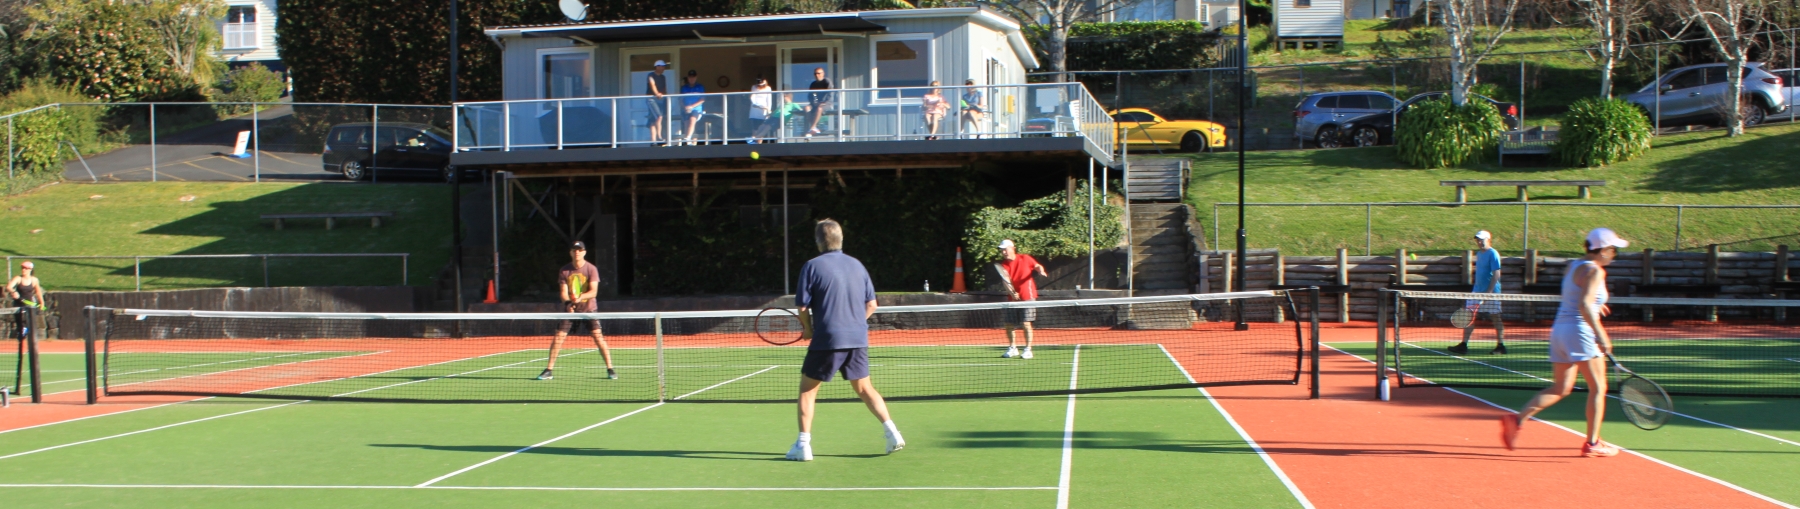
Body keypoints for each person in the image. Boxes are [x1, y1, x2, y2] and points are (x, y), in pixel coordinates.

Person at [1499, 228, 1629, 458]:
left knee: (1561, 388)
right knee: (1599, 388)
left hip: (1560, 331)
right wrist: (1602, 334)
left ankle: (1518, 419)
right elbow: (1585, 305)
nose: (1614, 254)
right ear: (1602, 250)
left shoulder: (1574, 265)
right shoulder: (1595, 271)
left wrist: (1597, 307)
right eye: (1612, 249)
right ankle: (1592, 443)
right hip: (1580, 332)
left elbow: (1577, 298)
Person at [786, 219, 904, 462]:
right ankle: (892, 432)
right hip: (857, 337)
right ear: (841, 239)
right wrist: (853, 321)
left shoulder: (811, 266)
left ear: (818, 241)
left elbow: (802, 307)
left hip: (827, 338)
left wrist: (807, 329)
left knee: (807, 391)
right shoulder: (858, 266)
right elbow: (872, 305)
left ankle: (803, 446)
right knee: (864, 388)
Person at [537, 241, 617, 381]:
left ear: (584, 252)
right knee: (558, 338)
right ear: (571, 252)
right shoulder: (564, 270)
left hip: (589, 310)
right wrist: (568, 303)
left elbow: (593, 292)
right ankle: (549, 370)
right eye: (574, 250)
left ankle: (610, 369)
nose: (577, 252)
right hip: (570, 311)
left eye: (580, 250)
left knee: (598, 338)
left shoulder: (591, 269)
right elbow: (563, 292)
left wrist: (580, 297)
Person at [1449, 230, 1507, 355]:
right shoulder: (1479, 254)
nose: (1479, 242)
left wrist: (1489, 292)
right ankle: (1464, 344)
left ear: (1488, 239)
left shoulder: (1493, 254)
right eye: (1477, 240)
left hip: (1492, 292)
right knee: (1469, 316)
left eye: (1481, 239)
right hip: (1477, 291)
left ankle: (1501, 346)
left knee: (1495, 317)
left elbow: (1497, 273)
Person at [996, 239, 1047, 360]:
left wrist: (1041, 270)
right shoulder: (1003, 265)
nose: (1003, 252)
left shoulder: (1025, 258)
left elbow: (1037, 266)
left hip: (1028, 296)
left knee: (1026, 323)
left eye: (1005, 249)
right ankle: (1012, 348)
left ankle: (1028, 349)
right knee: (1009, 324)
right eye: (1002, 250)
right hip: (1012, 299)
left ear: (1012, 248)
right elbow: (1006, 282)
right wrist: (1013, 293)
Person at [804, 67, 834, 137]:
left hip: (827, 104)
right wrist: (814, 103)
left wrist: (825, 102)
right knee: (806, 108)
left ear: (823, 74)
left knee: (820, 108)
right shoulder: (813, 84)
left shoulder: (827, 82)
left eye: (819, 73)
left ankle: (812, 128)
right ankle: (814, 128)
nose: (817, 75)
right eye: (815, 74)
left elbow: (830, 93)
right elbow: (810, 96)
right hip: (816, 104)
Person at [679, 70, 707, 145]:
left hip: (696, 110)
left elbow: (702, 99)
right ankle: (690, 144)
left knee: (692, 119)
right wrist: (685, 107)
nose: (692, 79)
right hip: (686, 110)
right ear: (688, 78)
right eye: (690, 77)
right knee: (687, 125)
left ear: (696, 77)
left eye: (693, 77)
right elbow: (681, 100)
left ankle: (688, 138)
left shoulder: (700, 87)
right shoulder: (684, 88)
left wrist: (691, 107)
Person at [645, 60, 669, 144]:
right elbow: (652, 85)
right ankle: (659, 137)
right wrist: (657, 94)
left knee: (653, 120)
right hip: (651, 99)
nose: (663, 68)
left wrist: (664, 96)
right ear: (657, 67)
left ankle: (653, 141)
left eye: (664, 66)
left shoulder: (663, 77)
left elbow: (664, 88)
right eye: (662, 66)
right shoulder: (651, 75)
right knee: (659, 117)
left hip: (660, 100)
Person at [747, 76, 773, 144]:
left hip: (763, 113)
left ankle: (759, 146)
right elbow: (753, 99)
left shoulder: (768, 88)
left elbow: (769, 101)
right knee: (755, 129)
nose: (761, 86)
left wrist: (768, 110)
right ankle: (753, 144)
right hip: (755, 111)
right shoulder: (754, 87)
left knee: (761, 130)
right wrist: (761, 106)